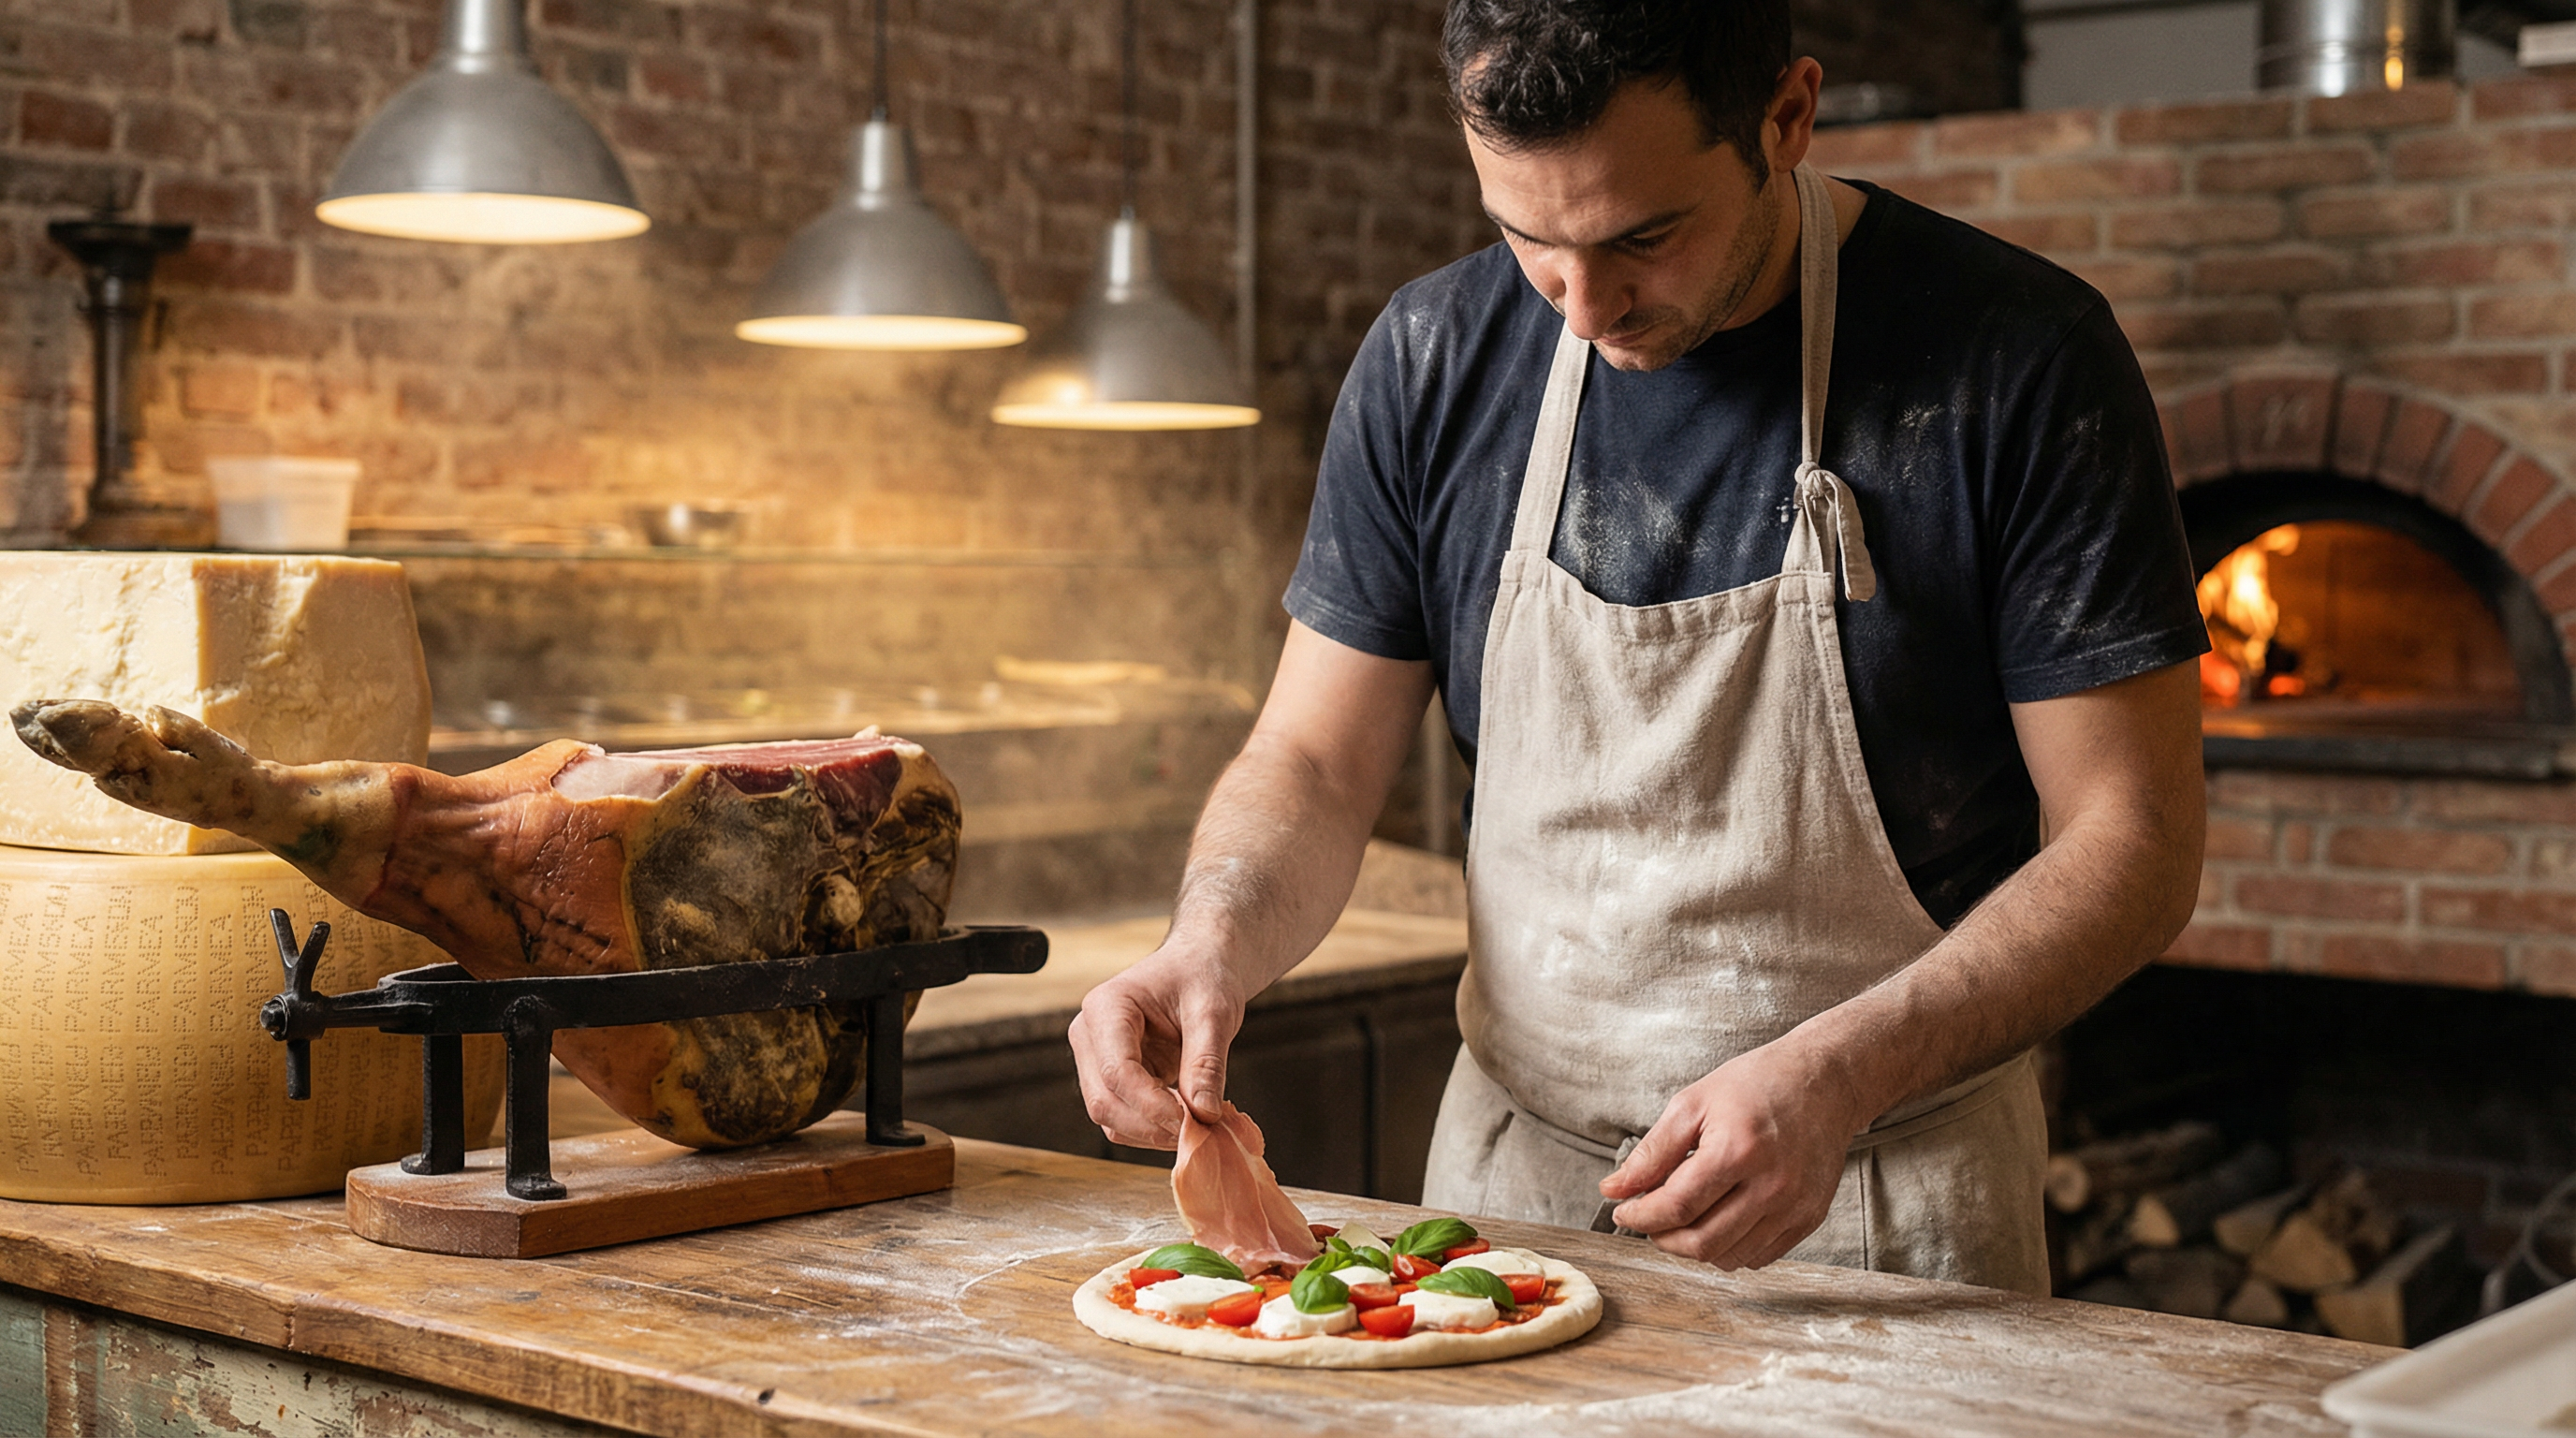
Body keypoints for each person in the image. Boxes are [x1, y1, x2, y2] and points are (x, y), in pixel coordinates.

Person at [1068, 0, 2208, 1295]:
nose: (1584, 306)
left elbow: (2136, 841)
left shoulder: (2018, 362)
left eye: (1643, 238)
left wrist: (1845, 1071)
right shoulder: (1433, 358)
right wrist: (1208, 941)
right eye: (1527, 239)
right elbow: (1317, 764)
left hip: (1882, 1214)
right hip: (1511, 1213)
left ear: (1786, 117)